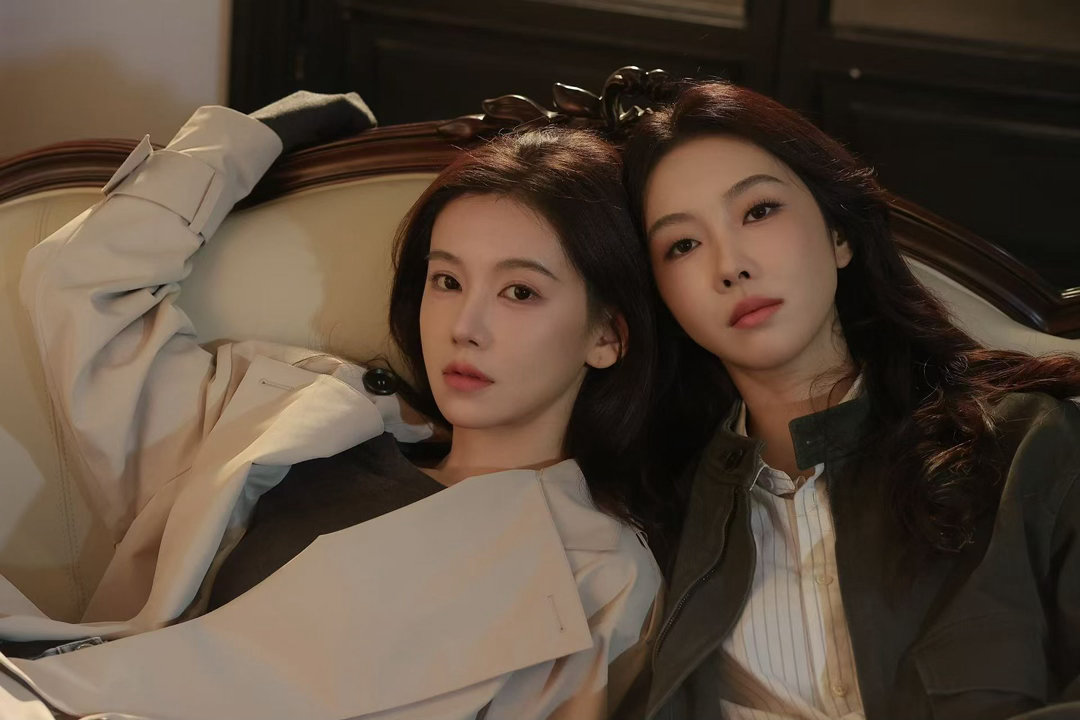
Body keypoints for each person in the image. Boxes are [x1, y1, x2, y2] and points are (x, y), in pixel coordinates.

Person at [0, 92, 663, 720]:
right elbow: (77, 287)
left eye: (520, 292)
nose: (465, 327)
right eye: (446, 280)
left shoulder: (596, 571)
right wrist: (250, 137)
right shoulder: (295, 418)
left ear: (607, 336)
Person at [622, 80, 1080, 720]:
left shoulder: (1028, 447)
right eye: (682, 245)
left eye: (758, 210)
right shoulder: (654, 517)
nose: (730, 266)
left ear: (839, 234)